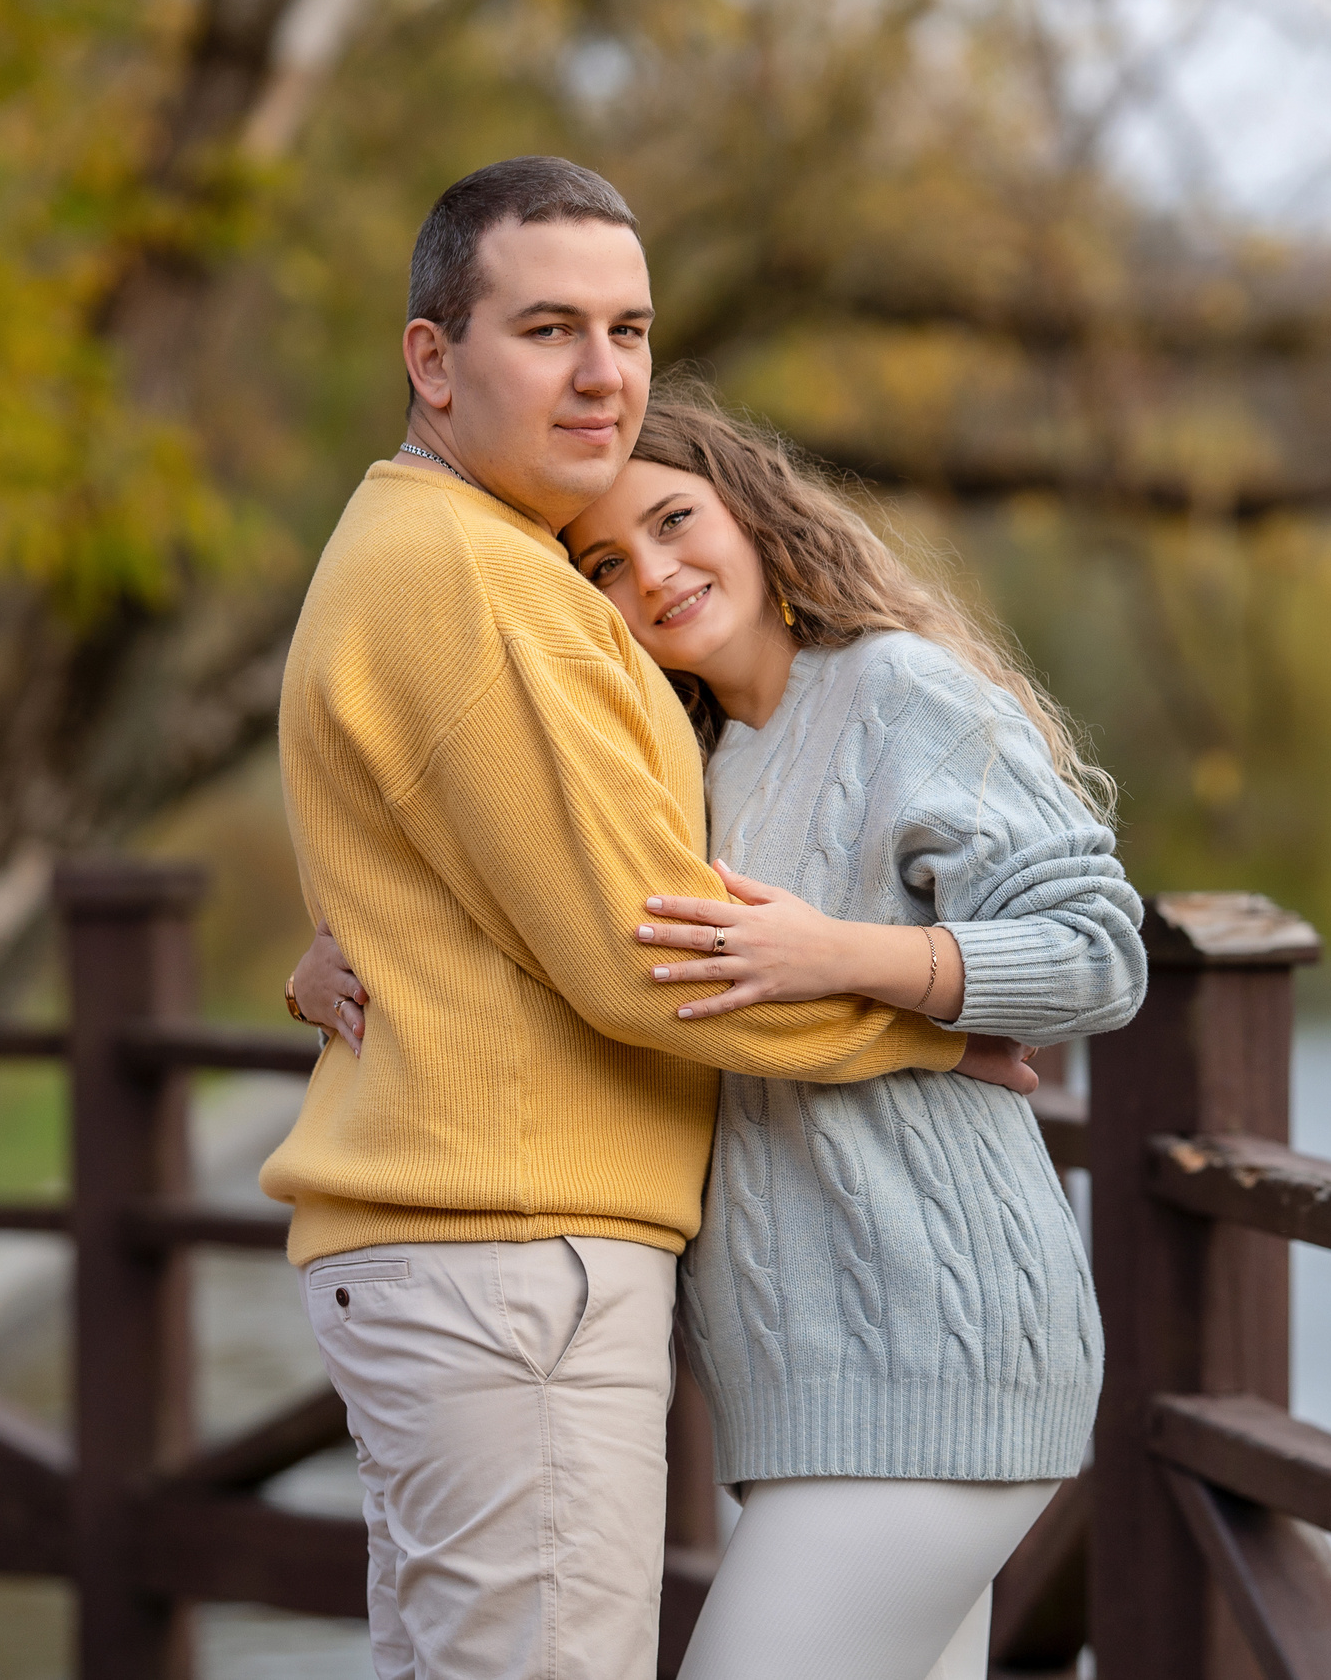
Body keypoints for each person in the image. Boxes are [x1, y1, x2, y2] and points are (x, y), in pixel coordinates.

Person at [266, 156, 1038, 1680]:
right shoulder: (482, 583)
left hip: (479, 1253)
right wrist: (925, 1023)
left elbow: (466, 870)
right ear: (433, 358)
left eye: (628, 330)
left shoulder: (456, 558)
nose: (602, 374)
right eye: (548, 328)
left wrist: (367, 940)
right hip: (508, 1255)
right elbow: (651, 953)